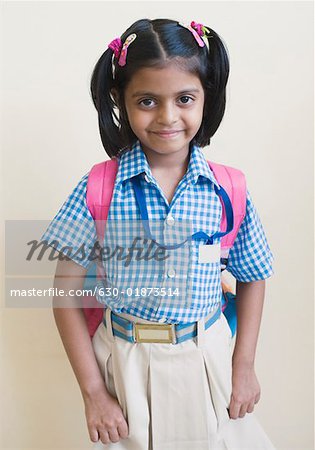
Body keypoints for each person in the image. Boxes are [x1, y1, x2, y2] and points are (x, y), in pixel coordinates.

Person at [41, 18, 276, 450]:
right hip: (126, 365)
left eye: (185, 98)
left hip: (209, 361)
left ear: (208, 97)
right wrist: (94, 393)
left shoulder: (229, 189)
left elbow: (253, 276)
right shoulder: (98, 189)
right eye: (147, 100)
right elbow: (65, 296)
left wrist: (243, 365)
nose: (168, 117)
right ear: (120, 100)